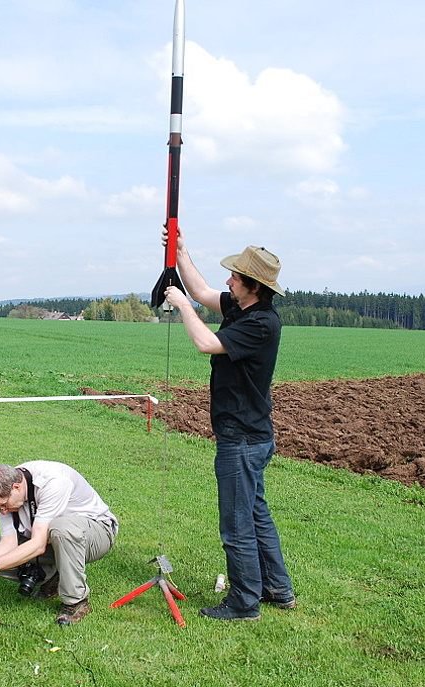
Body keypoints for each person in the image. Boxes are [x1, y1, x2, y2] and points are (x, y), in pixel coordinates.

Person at [162, 228, 296, 621]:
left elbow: (206, 342)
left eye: (235, 277)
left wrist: (181, 305)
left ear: (253, 286)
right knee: (255, 515)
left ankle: (244, 602)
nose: (228, 281)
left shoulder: (262, 323)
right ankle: (277, 589)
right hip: (249, 436)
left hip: (242, 439)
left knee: (236, 525)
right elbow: (202, 291)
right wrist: (180, 251)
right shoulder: (242, 308)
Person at [0, 461, 119, 626]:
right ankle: (53, 577)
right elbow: (9, 541)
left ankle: (76, 602)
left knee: (61, 529)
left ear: (16, 487)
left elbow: (38, 544)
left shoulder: (52, 482)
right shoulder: (7, 490)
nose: (3, 512)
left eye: (3, 505)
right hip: (50, 539)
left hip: (97, 533)